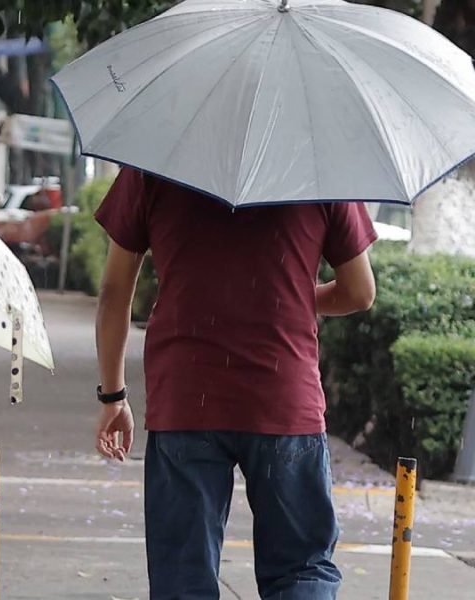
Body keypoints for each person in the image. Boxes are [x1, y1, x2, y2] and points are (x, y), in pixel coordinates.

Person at [93, 168, 377, 600]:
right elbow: (359, 292)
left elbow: (115, 291)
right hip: (283, 400)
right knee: (301, 569)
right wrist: (289, 296)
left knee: (182, 579)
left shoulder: (156, 163)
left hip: (186, 397)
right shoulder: (319, 165)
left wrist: (113, 395)